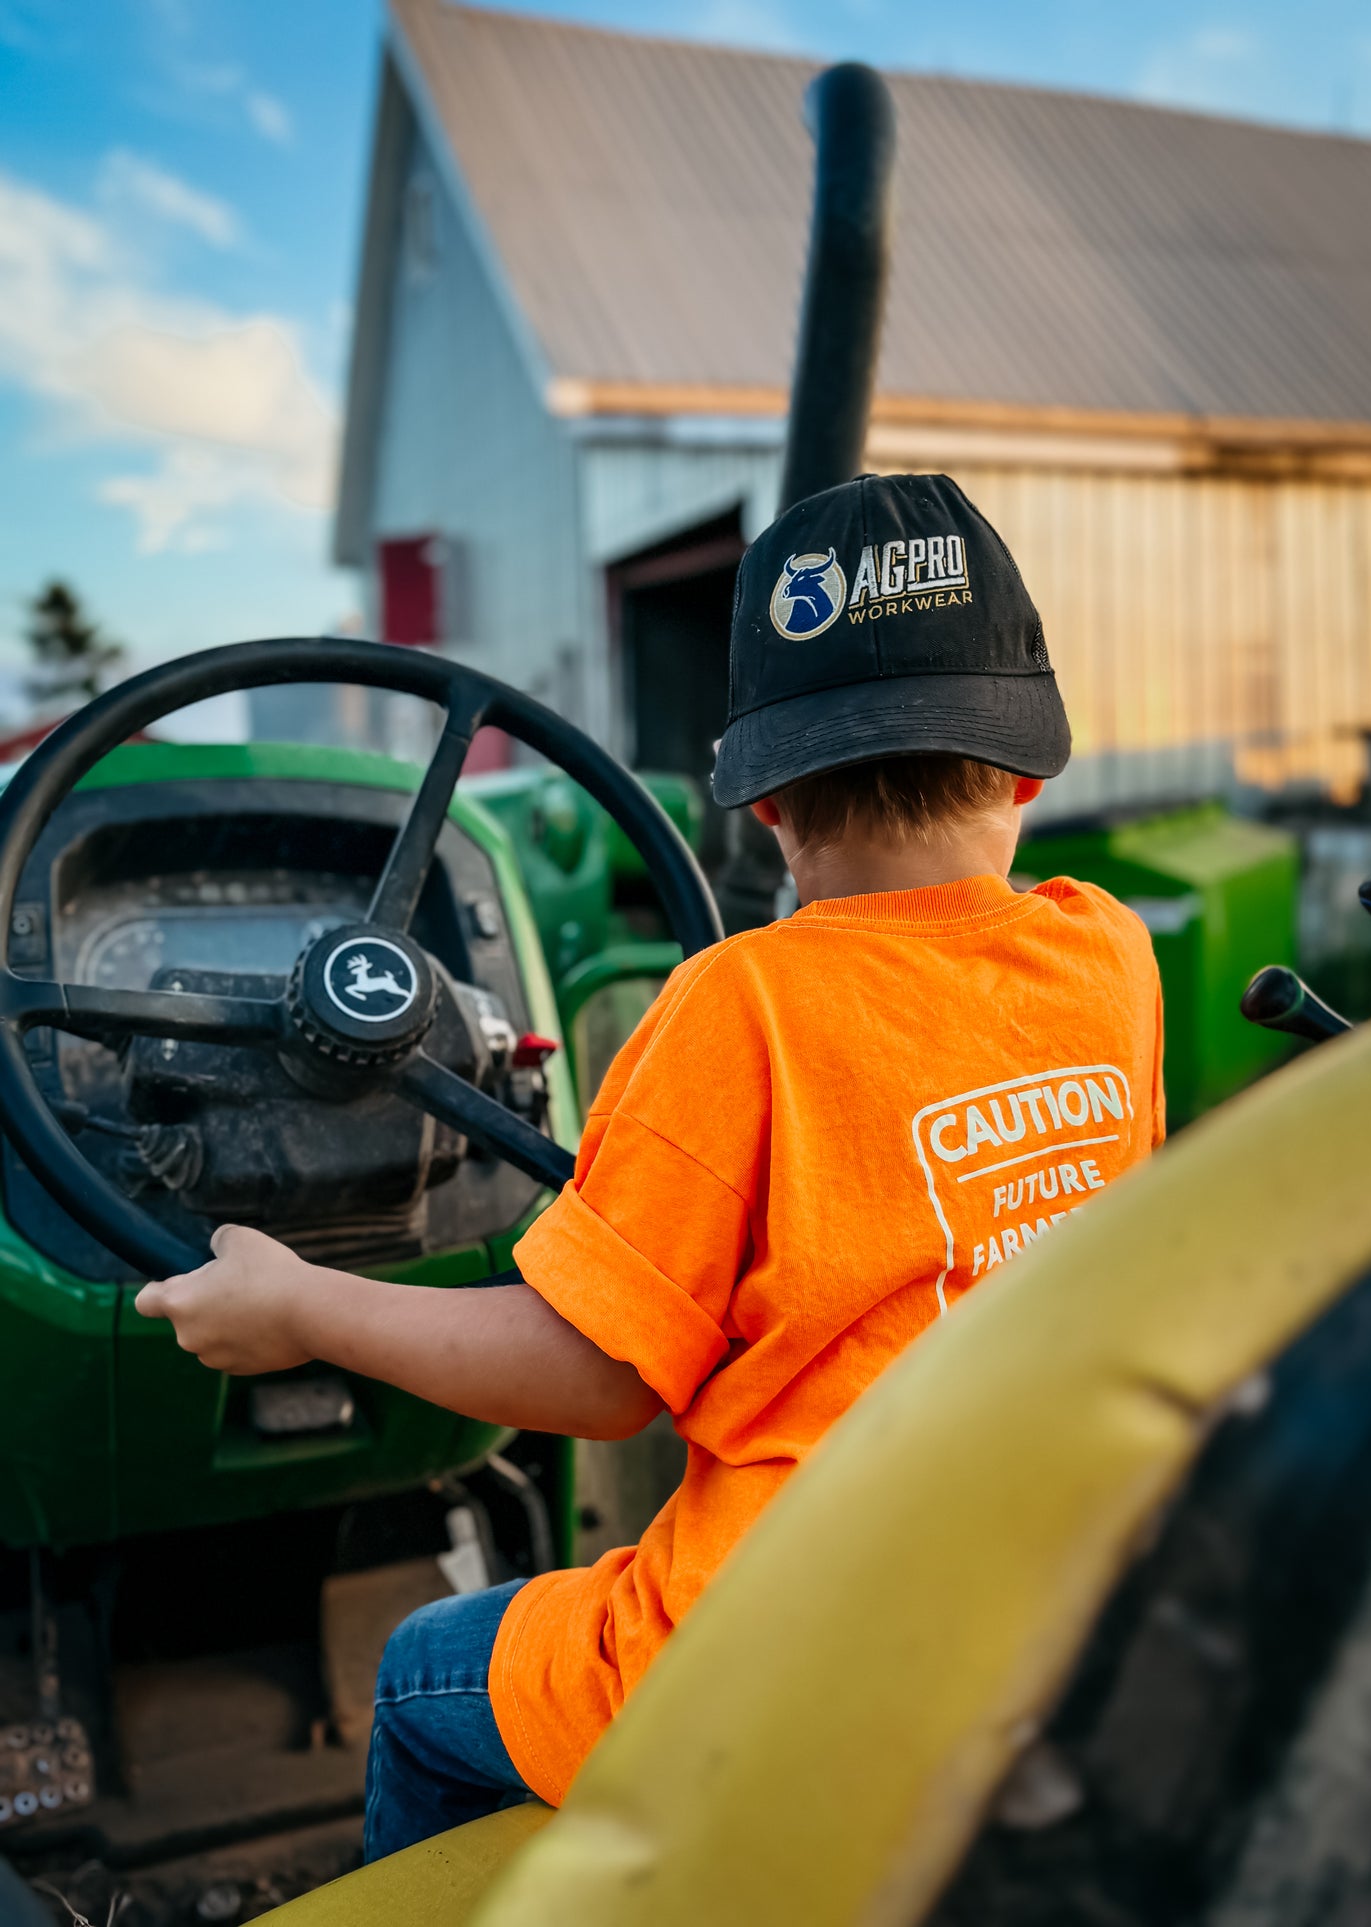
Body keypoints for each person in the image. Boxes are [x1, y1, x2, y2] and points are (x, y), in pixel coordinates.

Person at [135, 473, 1165, 1861]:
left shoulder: (735, 1008)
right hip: (1034, 1588)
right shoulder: (1105, 954)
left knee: (424, 1668)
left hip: (768, 1653)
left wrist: (301, 1309)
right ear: (1032, 768)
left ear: (764, 808)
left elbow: (597, 1379)